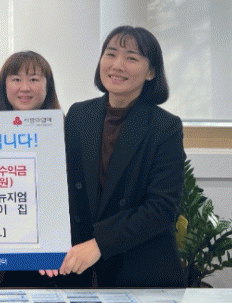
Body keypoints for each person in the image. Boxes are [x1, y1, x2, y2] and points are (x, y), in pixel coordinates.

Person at [46, 25, 186, 288]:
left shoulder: (165, 127)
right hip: (81, 271)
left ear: (151, 72)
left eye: (131, 58)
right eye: (110, 54)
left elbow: (162, 207)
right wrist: (47, 244)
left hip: (140, 271)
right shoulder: (79, 115)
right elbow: (62, 190)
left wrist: (100, 244)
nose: (117, 65)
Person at [0, 51, 61, 288]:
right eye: (16, 79)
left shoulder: (65, 129)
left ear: (47, 85)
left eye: (34, 79)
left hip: (49, 257)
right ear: (3, 85)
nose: (24, 87)